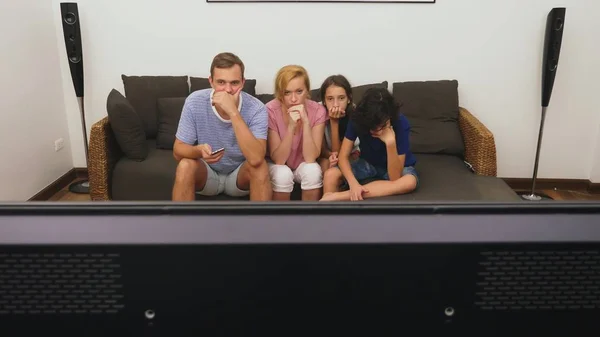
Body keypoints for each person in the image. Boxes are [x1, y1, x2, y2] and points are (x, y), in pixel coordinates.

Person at [172, 52, 272, 201]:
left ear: (243, 83)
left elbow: (257, 158)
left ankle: (261, 225)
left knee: (261, 167)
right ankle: (179, 224)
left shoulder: (257, 108)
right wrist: (197, 151)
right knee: (185, 165)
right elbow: (177, 151)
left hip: (239, 176)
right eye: (221, 82)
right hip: (208, 175)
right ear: (211, 82)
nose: (228, 90)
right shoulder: (195, 101)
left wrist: (232, 111)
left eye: (234, 83)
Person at [320, 87, 419, 201]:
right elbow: (343, 157)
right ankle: (328, 216)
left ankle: (334, 197)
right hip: (369, 163)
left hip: (400, 167)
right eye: (372, 127)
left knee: (409, 182)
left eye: (381, 125)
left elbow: (394, 177)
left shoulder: (401, 123)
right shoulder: (358, 118)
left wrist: (390, 143)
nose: (377, 130)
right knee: (330, 175)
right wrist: (353, 184)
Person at [266, 65, 327, 201]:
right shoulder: (270, 110)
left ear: (307, 91)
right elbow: (279, 160)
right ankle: (280, 221)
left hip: (302, 162)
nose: (294, 99)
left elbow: (311, 158)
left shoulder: (318, 111)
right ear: (280, 94)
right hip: (277, 164)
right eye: (287, 93)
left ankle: (309, 220)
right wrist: (291, 128)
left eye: (299, 91)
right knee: (283, 174)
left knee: (313, 171)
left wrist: (305, 122)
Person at [317, 75, 360, 173]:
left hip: (349, 153)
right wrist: (330, 156)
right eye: (330, 99)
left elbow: (341, 155)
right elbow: (322, 150)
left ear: (349, 99)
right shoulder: (317, 112)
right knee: (324, 165)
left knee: (339, 165)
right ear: (324, 101)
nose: (335, 105)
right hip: (326, 154)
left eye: (341, 98)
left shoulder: (354, 113)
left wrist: (334, 122)